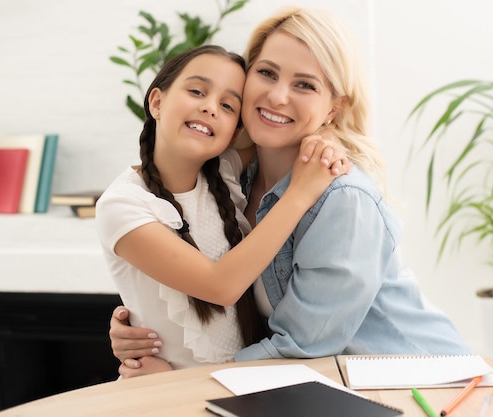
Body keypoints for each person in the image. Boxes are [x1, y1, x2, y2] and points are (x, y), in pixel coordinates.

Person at [110, 7, 471, 377]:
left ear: (334, 107)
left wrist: (176, 380)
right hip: (327, 388)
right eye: (267, 73)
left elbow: (302, 349)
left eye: (305, 85)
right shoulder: (233, 178)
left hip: (423, 384)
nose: (278, 96)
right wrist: (143, 322)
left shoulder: (343, 198)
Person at [95, 44, 349, 372]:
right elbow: (221, 286)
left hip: (237, 383)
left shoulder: (224, 173)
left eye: (228, 105)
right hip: (165, 389)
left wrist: (329, 137)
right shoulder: (123, 205)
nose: (210, 108)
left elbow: (290, 130)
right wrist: (300, 194)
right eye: (197, 91)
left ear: (235, 132)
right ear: (157, 102)